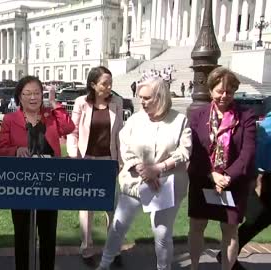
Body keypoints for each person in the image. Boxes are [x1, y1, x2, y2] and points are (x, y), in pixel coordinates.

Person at [97, 77, 192, 270]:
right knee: (117, 227)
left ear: (161, 97)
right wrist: (140, 168)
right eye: (140, 97)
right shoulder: (135, 120)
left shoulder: (180, 120)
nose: (142, 102)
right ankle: (104, 264)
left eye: (147, 98)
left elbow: (184, 152)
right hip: (134, 181)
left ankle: (163, 268)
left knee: (162, 234)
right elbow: (125, 146)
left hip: (166, 185)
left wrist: (158, 169)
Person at [0, 75, 74, 270]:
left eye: (37, 93)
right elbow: (1, 150)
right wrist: (15, 151)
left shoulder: (50, 116)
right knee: (22, 235)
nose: (33, 97)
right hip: (21, 186)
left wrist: (54, 102)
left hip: (49, 185)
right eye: (28, 93)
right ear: (19, 97)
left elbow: (68, 127)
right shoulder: (10, 119)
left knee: (48, 235)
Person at [188, 67, 256, 270]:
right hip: (203, 179)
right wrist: (212, 174)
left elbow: (248, 152)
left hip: (233, 183)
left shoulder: (246, 116)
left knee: (230, 231)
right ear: (210, 91)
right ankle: (194, 267)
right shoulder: (198, 115)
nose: (224, 96)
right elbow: (194, 151)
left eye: (230, 92)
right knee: (196, 227)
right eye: (219, 91)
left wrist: (227, 176)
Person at [66, 66, 123, 266]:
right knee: (87, 206)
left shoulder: (117, 103)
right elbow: (72, 132)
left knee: (112, 207)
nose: (109, 87)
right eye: (104, 84)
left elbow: (120, 135)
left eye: (110, 83)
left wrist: (120, 161)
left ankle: (112, 249)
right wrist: (74, 156)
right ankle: (87, 247)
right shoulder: (82, 102)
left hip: (109, 161)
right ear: (93, 84)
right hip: (86, 160)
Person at [216, 110, 271, 270]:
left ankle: (228, 256)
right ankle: (228, 256)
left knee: (263, 217)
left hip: (262, 174)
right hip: (263, 175)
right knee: (262, 217)